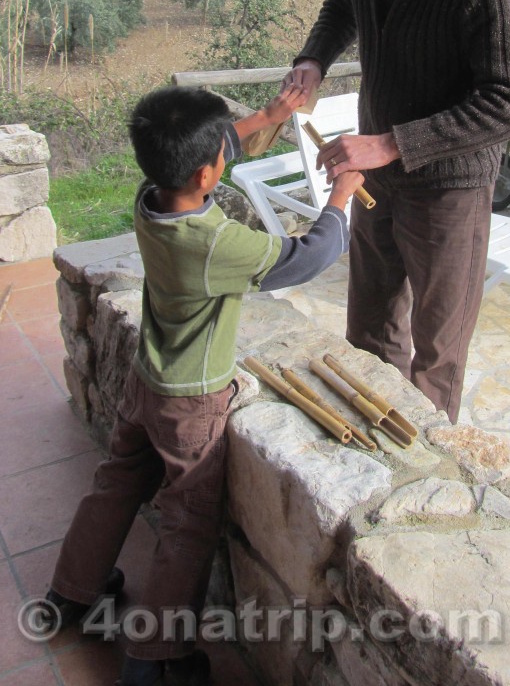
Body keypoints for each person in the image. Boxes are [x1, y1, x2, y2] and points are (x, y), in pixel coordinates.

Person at [42, 83, 362, 686]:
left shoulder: (150, 197)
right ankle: (155, 657)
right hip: (191, 402)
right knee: (188, 523)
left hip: (146, 379)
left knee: (117, 482)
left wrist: (271, 116)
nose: (226, 151)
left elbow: (201, 152)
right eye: (223, 151)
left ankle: (71, 592)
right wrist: (339, 198)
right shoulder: (216, 243)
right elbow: (307, 257)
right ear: (210, 171)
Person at [283, 0, 510, 425]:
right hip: (377, 175)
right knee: (368, 329)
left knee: (437, 352)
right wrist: (313, 58)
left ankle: (420, 472)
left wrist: (393, 143)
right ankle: (368, 444)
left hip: (448, 182)